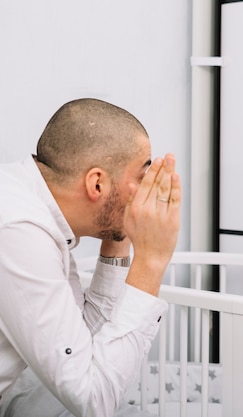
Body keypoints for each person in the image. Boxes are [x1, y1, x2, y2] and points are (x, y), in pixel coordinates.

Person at [0, 98, 181, 417]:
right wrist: (150, 262)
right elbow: (91, 399)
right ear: (97, 183)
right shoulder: (19, 230)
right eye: (142, 176)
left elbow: (81, 346)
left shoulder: (34, 211)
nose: (144, 192)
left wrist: (119, 239)